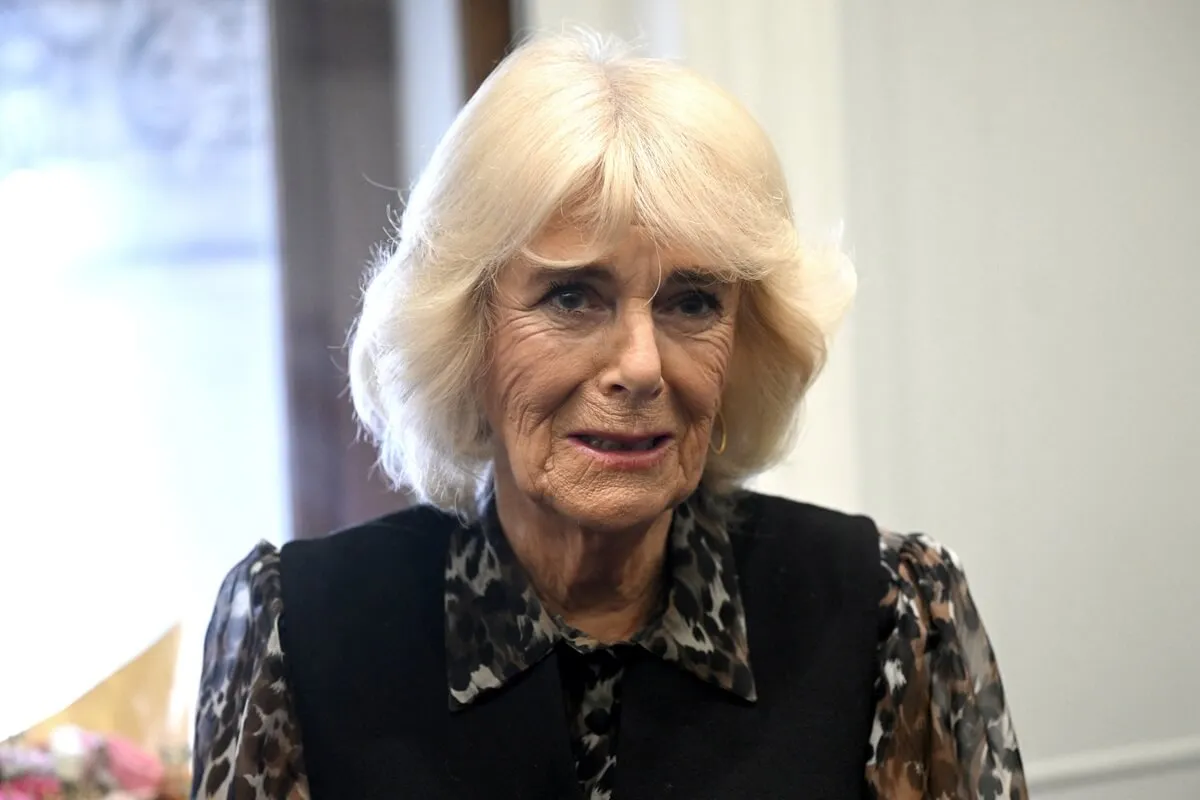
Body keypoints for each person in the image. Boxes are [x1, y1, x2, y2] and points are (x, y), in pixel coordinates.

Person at [191, 31, 1026, 800]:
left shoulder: (890, 615)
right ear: (466, 332)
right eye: (571, 296)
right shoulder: (295, 635)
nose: (640, 365)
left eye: (693, 302)